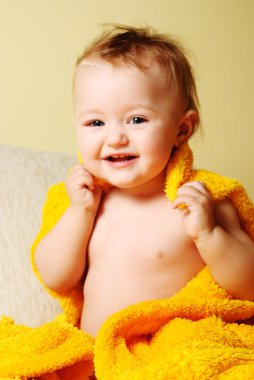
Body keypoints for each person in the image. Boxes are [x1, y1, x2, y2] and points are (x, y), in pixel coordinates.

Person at [34, 25, 254, 338]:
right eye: (95, 122)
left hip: (168, 355)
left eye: (137, 119)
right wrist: (78, 213)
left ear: (182, 129)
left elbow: (249, 286)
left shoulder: (202, 201)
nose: (115, 137)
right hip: (97, 361)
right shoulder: (80, 202)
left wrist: (209, 234)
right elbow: (55, 278)